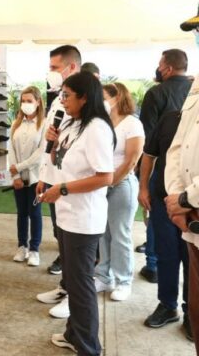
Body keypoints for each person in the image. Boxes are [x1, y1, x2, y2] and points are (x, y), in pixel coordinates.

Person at [37, 71, 115, 355]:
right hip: (67, 214)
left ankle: (88, 347)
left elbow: (105, 177)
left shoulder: (97, 128)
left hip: (84, 218)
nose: (62, 101)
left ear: (84, 97)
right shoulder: (73, 123)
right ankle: (74, 334)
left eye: (67, 96)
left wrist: (64, 189)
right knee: (72, 280)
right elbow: (61, 160)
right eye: (62, 95)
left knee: (81, 286)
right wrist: (48, 173)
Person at [36, 45, 81, 320]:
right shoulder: (58, 98)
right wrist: (43, 176)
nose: (50, 73)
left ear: (71, 68)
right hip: (54, 179)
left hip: (71, 185)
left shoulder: (83, 101)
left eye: (54, 68)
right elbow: (50, 140)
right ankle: (66, 287)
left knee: (77, 244)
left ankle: (75, 296)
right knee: (61, 237)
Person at [139, 49, 191, 283]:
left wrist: (144, 183)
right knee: (190, 254)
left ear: (167, 68)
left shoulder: (156, 93)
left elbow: (147, 140)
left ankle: (152, 267)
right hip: (190, 181)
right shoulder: (192, 90)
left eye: (160, 64)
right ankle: (189, 311)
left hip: (164, 176)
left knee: (165, 245)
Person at [139, 111, 191, 340]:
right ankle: (168, 305)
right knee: (166, 254)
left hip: (193, 205)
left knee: (192, 260)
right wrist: (143, 188)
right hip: (162, 199)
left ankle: (192, 312)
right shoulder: (171, 118)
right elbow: (149, 155)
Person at [165, 6, 199, 351]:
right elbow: (177, 146)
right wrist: (177, 199)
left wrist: (187, 199)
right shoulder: (196, 85)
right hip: (191, 221)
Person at [94, 83, 144, 301]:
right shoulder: (103, 122)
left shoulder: (132, 123)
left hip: (121, 184)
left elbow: (132, 159)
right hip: (101, 183)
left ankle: (124, 281)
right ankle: (103, 275)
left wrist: (112, 180)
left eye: (104, 97)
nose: (101, 101)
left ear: (116, 97)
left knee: (120, 233)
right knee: (102, 232)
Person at [8, 86, 46, 266]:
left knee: (35, 213)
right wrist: (15, 175)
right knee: (21, 213)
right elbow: (11, 150)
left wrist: (20, 167)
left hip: (35, 177)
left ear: (38, 102)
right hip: (18, 177)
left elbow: (41, 152)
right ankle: (22, 246)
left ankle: (34, 249)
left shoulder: (44, 124)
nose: (26, 104)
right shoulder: (16, 124)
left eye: (29, 101)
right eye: (23, 101)